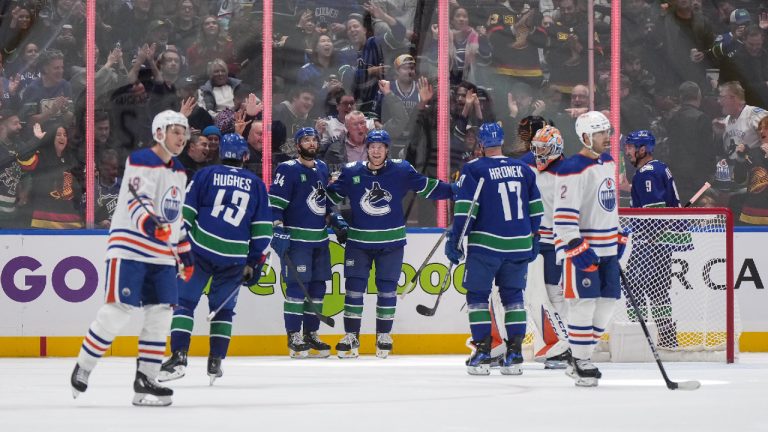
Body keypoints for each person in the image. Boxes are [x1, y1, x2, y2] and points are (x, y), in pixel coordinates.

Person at [70, 110, 193, 406]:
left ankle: (146, 380)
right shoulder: (141, 159)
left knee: (162, 313)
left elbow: (175, 216)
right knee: (118, 310)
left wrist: (184, 252)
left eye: (184, 132)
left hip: (163, 255)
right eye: (176, 131)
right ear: (160, 132)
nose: (182, 137)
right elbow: (138, 202)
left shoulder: (179, 170)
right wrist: (152, 224)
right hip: (130, 247)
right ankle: (84, 365)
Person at [326, 129, 454, 358]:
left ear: (387, 149)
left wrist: (455, 190)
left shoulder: (402, 170)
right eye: (372, 146)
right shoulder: (351, 172)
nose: (376, 150)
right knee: (354, 289)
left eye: (380, 146)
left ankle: (383, 335)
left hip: (391, 244)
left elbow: (427, 187)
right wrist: (332, 216)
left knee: (387, 290)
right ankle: (351, 336)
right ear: (367, 149)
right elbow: (328, 199)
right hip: (358, 242)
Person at [158, 133, 271, 385]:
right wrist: (254, 262)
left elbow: (186, 213)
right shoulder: (256, 184)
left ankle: (178, 357)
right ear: (244, 156)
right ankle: (215, 361)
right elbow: (263, 229)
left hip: (201, 249)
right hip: (234, 256)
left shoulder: (205, 175)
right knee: (223, 310)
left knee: (184, 302)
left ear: (221, 154)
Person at [445, 121, 542, 376]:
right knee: (513, 298)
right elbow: (537, 209)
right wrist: (533, 238)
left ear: (480, 144)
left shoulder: (474, 169)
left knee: (477, 297)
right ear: (501, 142)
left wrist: (455, 240)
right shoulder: (523, 169)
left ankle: (483, 352)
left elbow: (465, 212)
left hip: (487, 245)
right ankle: (515, 354)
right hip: (519, 244)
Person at [553, 111, 628, 387]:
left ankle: (577, 355)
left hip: (607, 247)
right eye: (600, 133)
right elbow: (563, 215)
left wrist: (617, 233)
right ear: (586, 137)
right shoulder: (571, 168)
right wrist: (574, 243)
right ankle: (583, 360)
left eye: (607, 132)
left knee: (607, 305)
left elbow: (609, 205)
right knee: (583, 305)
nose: (607, 138)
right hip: (583, 248)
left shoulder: (608, 162)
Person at [268, 127, 348, 359]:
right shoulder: (287, 169)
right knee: (295, 288)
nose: (311, 143)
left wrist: (337, 222)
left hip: (319, 240)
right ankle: (294, 336)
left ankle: (311, 333)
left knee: (317, 289)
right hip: (297, 240)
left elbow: (324, 203)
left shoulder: (322, 168)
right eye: (306, 140)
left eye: (314, 140)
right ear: (298, 144)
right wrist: (277, 229)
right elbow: (275, 204)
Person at [623, 129, 684, 349]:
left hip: (651, 241)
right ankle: (667, 336)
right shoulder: (659, 167)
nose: (626, 151)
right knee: (657, 290)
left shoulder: (646, 173)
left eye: (630, 147)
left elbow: (654, 211)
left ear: (643, 149)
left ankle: (637, 337)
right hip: (662, 241)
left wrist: (648, 238)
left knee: (633, 286)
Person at [519, 125, 571, 369]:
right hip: (531, 239)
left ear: (557, 148)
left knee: (554, 292)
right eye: (537, 148)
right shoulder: (526, 163)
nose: (539, 153)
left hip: (556, 242)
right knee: (528, 292)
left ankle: (567, 343)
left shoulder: (569, 172)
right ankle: (555, 343)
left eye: (545, 148)